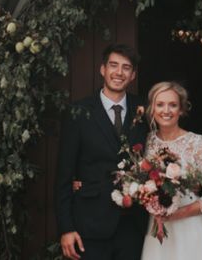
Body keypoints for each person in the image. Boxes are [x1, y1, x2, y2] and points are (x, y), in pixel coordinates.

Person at [56, 44, 148, 260]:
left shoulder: (145, 110)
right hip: (89, 224)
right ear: (102, 69)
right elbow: (63, 176)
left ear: (133, 75)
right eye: (113, 65)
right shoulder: (78, 112)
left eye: (126, 68)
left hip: (133, 225)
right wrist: (66, 228)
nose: (119, 72)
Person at [140, 81, 202, 260]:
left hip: (189, 228)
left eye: (173, 105)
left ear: (181, 110)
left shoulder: (197, 143)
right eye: (160, 104)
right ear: (152, 109)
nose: (166, 110)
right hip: (157, 229)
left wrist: (177, 214)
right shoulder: (148, 141)